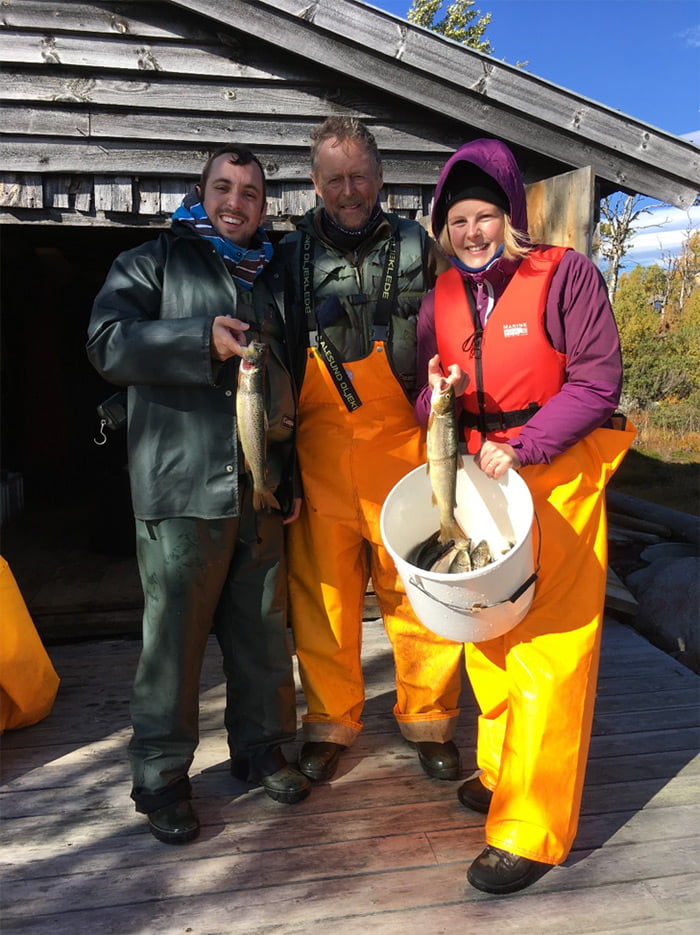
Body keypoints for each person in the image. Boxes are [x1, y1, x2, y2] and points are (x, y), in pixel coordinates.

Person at [414, 138, 636, 894]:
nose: (472, 231)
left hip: (557, 471)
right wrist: (434, 394)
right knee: (490, 630)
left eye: (484, 216)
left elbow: (599, 378)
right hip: (481, 479)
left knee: (549, 646)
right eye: (459, 220)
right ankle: (498, 766)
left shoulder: (563, 273)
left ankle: (531, 828)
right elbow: (424, 389)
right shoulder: (440, 296)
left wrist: (530, 442)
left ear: (508, 215)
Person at [86, 144, 310, 845]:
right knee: (173, 646)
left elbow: (290, 389)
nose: (236, 202)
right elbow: (106, 341)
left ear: (264, 205)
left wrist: (289, 473)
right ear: (199, 192)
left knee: (264, 632)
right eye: (223, 187)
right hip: (179, 487)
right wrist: (196, 339)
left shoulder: (272, 276)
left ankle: (264, 747)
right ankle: (161, 778)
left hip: (257, 488)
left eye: (250, 191)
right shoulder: (150, 262)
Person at [279, 116, 465, 784]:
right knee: (322, 598)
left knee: (418, 589)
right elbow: (269, 355)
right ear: (315, 182)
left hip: (405, 446)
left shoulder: (421, 245)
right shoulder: (286, 255)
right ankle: (329, 723)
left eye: (360, 176)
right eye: (336, 179)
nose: (350, 190)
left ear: (381, 177)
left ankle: (431, 719)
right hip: (319, 451)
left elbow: (457, 327)